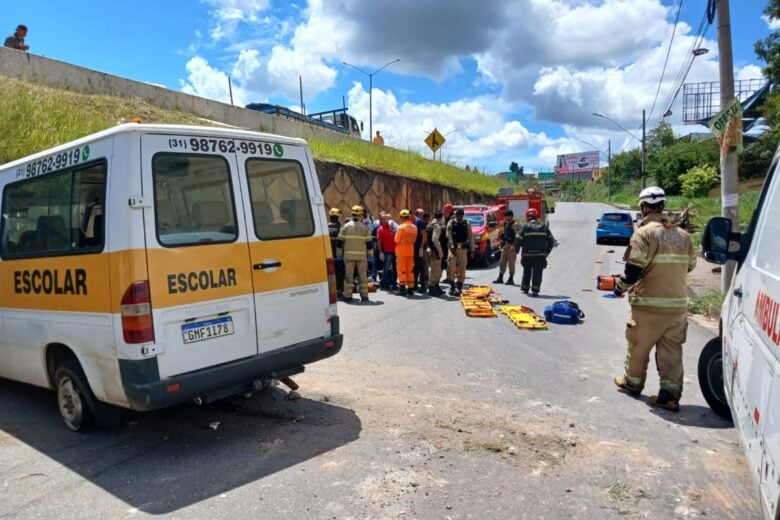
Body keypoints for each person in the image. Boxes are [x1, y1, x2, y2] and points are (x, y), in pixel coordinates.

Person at [613, 186, 696, 412]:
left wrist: (619, 288)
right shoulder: (683, 235)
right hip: (678, 307)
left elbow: (633, 270)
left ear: (645, 207)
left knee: (639, 346)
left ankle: (633, 383)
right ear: (663, 206)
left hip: (649, 306)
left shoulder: (645, 233)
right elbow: (689, 266)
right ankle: (669, 396)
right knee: (672, 352)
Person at [337, 205, 373, 302]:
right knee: (363, 276)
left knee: (349, 276)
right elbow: (369, 244)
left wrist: (339, 253)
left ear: (352, 214)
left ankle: (348, 296)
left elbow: (339, 242)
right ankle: (364, 296)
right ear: (361, 215)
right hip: (361, 257)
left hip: (348, 256)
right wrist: (370, 255)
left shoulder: (345, 226)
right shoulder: (365, 229)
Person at [517, 207, 554, 296]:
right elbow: (551, 241)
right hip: (540, 255)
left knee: (527, 271)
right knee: (538, 273)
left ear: (527, 217)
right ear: (536, 216)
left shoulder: (525, 227)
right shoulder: (544, 227)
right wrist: (546, 252)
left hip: (527, 254)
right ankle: (535, 290)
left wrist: (516, 249)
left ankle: (525, 288)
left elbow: (518, 239)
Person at [446, 207, 474, 296]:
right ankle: (452, 286)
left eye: (460, 215)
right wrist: (452, 247)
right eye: (457, 214)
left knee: (462, 268)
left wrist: (472, 250)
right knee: (451, 267)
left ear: (462, 215)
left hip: (463, 249)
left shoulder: (466, 224)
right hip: (453, 249)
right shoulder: (451, 223)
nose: (458, 216)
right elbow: (449, 236)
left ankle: (459, 286)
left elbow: (471, 237)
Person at [493, 209, 521, 285]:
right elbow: (504, 234)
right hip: (505, 245)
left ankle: (511, 278)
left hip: (512, 246)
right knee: (502, 262)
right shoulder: (506, 223)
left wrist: (515, 246)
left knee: (511, 263)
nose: (505, 218)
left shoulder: (516, 224)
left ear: (511, 216)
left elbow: (518, 237)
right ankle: (500, 277)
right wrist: (501, 242)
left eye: (506, 216)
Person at [394, 209, 418, 297]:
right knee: (410, 271)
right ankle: (411, 289)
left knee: (401, 271)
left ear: (402, 218)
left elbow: (396, 240)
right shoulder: (414, 227)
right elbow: (414, 240)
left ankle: (402, 290)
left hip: (401, 252)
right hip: (410, 251)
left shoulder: (401, 227)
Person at [375, 212, 397, 290]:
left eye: (386, 218)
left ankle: (394, 284)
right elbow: (379, 242)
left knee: (395, 269)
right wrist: (381, 252)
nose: (385, 220)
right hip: (387, 252)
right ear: (380, 220)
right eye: (383, 219)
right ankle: (385, 285)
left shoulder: (392, 227)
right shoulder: (380, 230)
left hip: (395, 251)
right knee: (386, 269)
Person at [426, 209, 445, 296]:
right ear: (441, 217)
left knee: (436, 269)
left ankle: (436, 286)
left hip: (432, 249)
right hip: (435, 251)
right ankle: (431, 288)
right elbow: (434, 239)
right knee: (435, 270)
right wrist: (439, 250)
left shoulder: (430, 224)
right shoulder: (437, 226)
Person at [327, 207, 345, 293]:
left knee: (329, 273)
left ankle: (330, 290)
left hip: (328, 254)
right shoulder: (341, 228)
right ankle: (339, 288)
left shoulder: (326, 227)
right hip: (339, 254)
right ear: (338, 217)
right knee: (339, 272)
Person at [412, 208, 428, 293]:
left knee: (420, 267)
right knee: (415, 267)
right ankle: (414, 285)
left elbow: (424, 235)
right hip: (413, 248)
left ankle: (422, 285)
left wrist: (421, 247)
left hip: (418, 247)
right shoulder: (411, 222)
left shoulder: (419, 222)